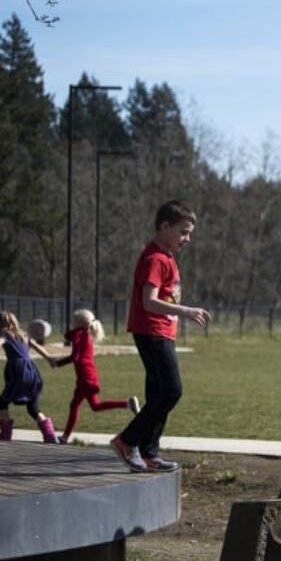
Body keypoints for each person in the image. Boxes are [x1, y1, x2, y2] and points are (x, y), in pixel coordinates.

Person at [111, 200, 211, 473]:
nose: (187, 239)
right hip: (151, 332)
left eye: (189, 233)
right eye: (183, 232)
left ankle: (149, 452)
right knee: (171, 391)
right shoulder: (155, 258)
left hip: (161, 333)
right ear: (164, 226)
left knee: (158, 393)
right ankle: (127, 440)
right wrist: (186, 311)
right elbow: (149, 302)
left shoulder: (166, 257)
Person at [50, 308, 140, 443]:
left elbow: (75, 357)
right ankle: (64, 437)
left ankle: (127, 403)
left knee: (95, 406)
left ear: (78, 323)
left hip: (85, 377)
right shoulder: (87, 335)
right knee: (74, 405)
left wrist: (57, 363)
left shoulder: (79, 334)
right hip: (86, 375)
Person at [0, 311, 59, 442]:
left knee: (2, 402)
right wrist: (49, 359)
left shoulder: (5, 334)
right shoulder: (24, 334)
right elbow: (37, 347)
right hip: (33, 372)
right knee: (33, 407)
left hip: (18, 372)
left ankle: (5, 435)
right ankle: (50, 436)